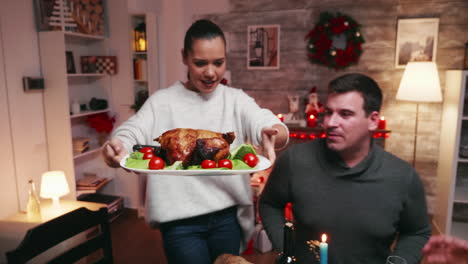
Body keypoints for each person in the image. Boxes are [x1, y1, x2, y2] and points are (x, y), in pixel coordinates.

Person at [102, 19, 289, 264]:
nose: (211, 73)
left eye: (218, 63)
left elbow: (264, 122)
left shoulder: (235, 99)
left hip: (226, 219)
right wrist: (117, 147)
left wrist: (273, 131)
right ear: (185, 57)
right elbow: (132, 131)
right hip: (180, 222)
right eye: (201, 63)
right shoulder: (163, 101)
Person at [259, 73, 431, 264]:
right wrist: (287, 250)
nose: (330, 123)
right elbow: (269, 204)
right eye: (328, 112)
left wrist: (400, 261)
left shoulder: (402, 176)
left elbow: (417, 232)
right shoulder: (295, 161)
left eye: (345, 114)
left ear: (373, 120)